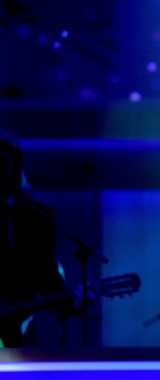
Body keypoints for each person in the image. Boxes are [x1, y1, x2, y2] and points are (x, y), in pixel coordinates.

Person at [0, 130, 74, 347]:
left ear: (16, 166)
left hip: (18, 328)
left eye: (3, 161)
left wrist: (70, 301)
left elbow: (46, 276)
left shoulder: (37, 217)